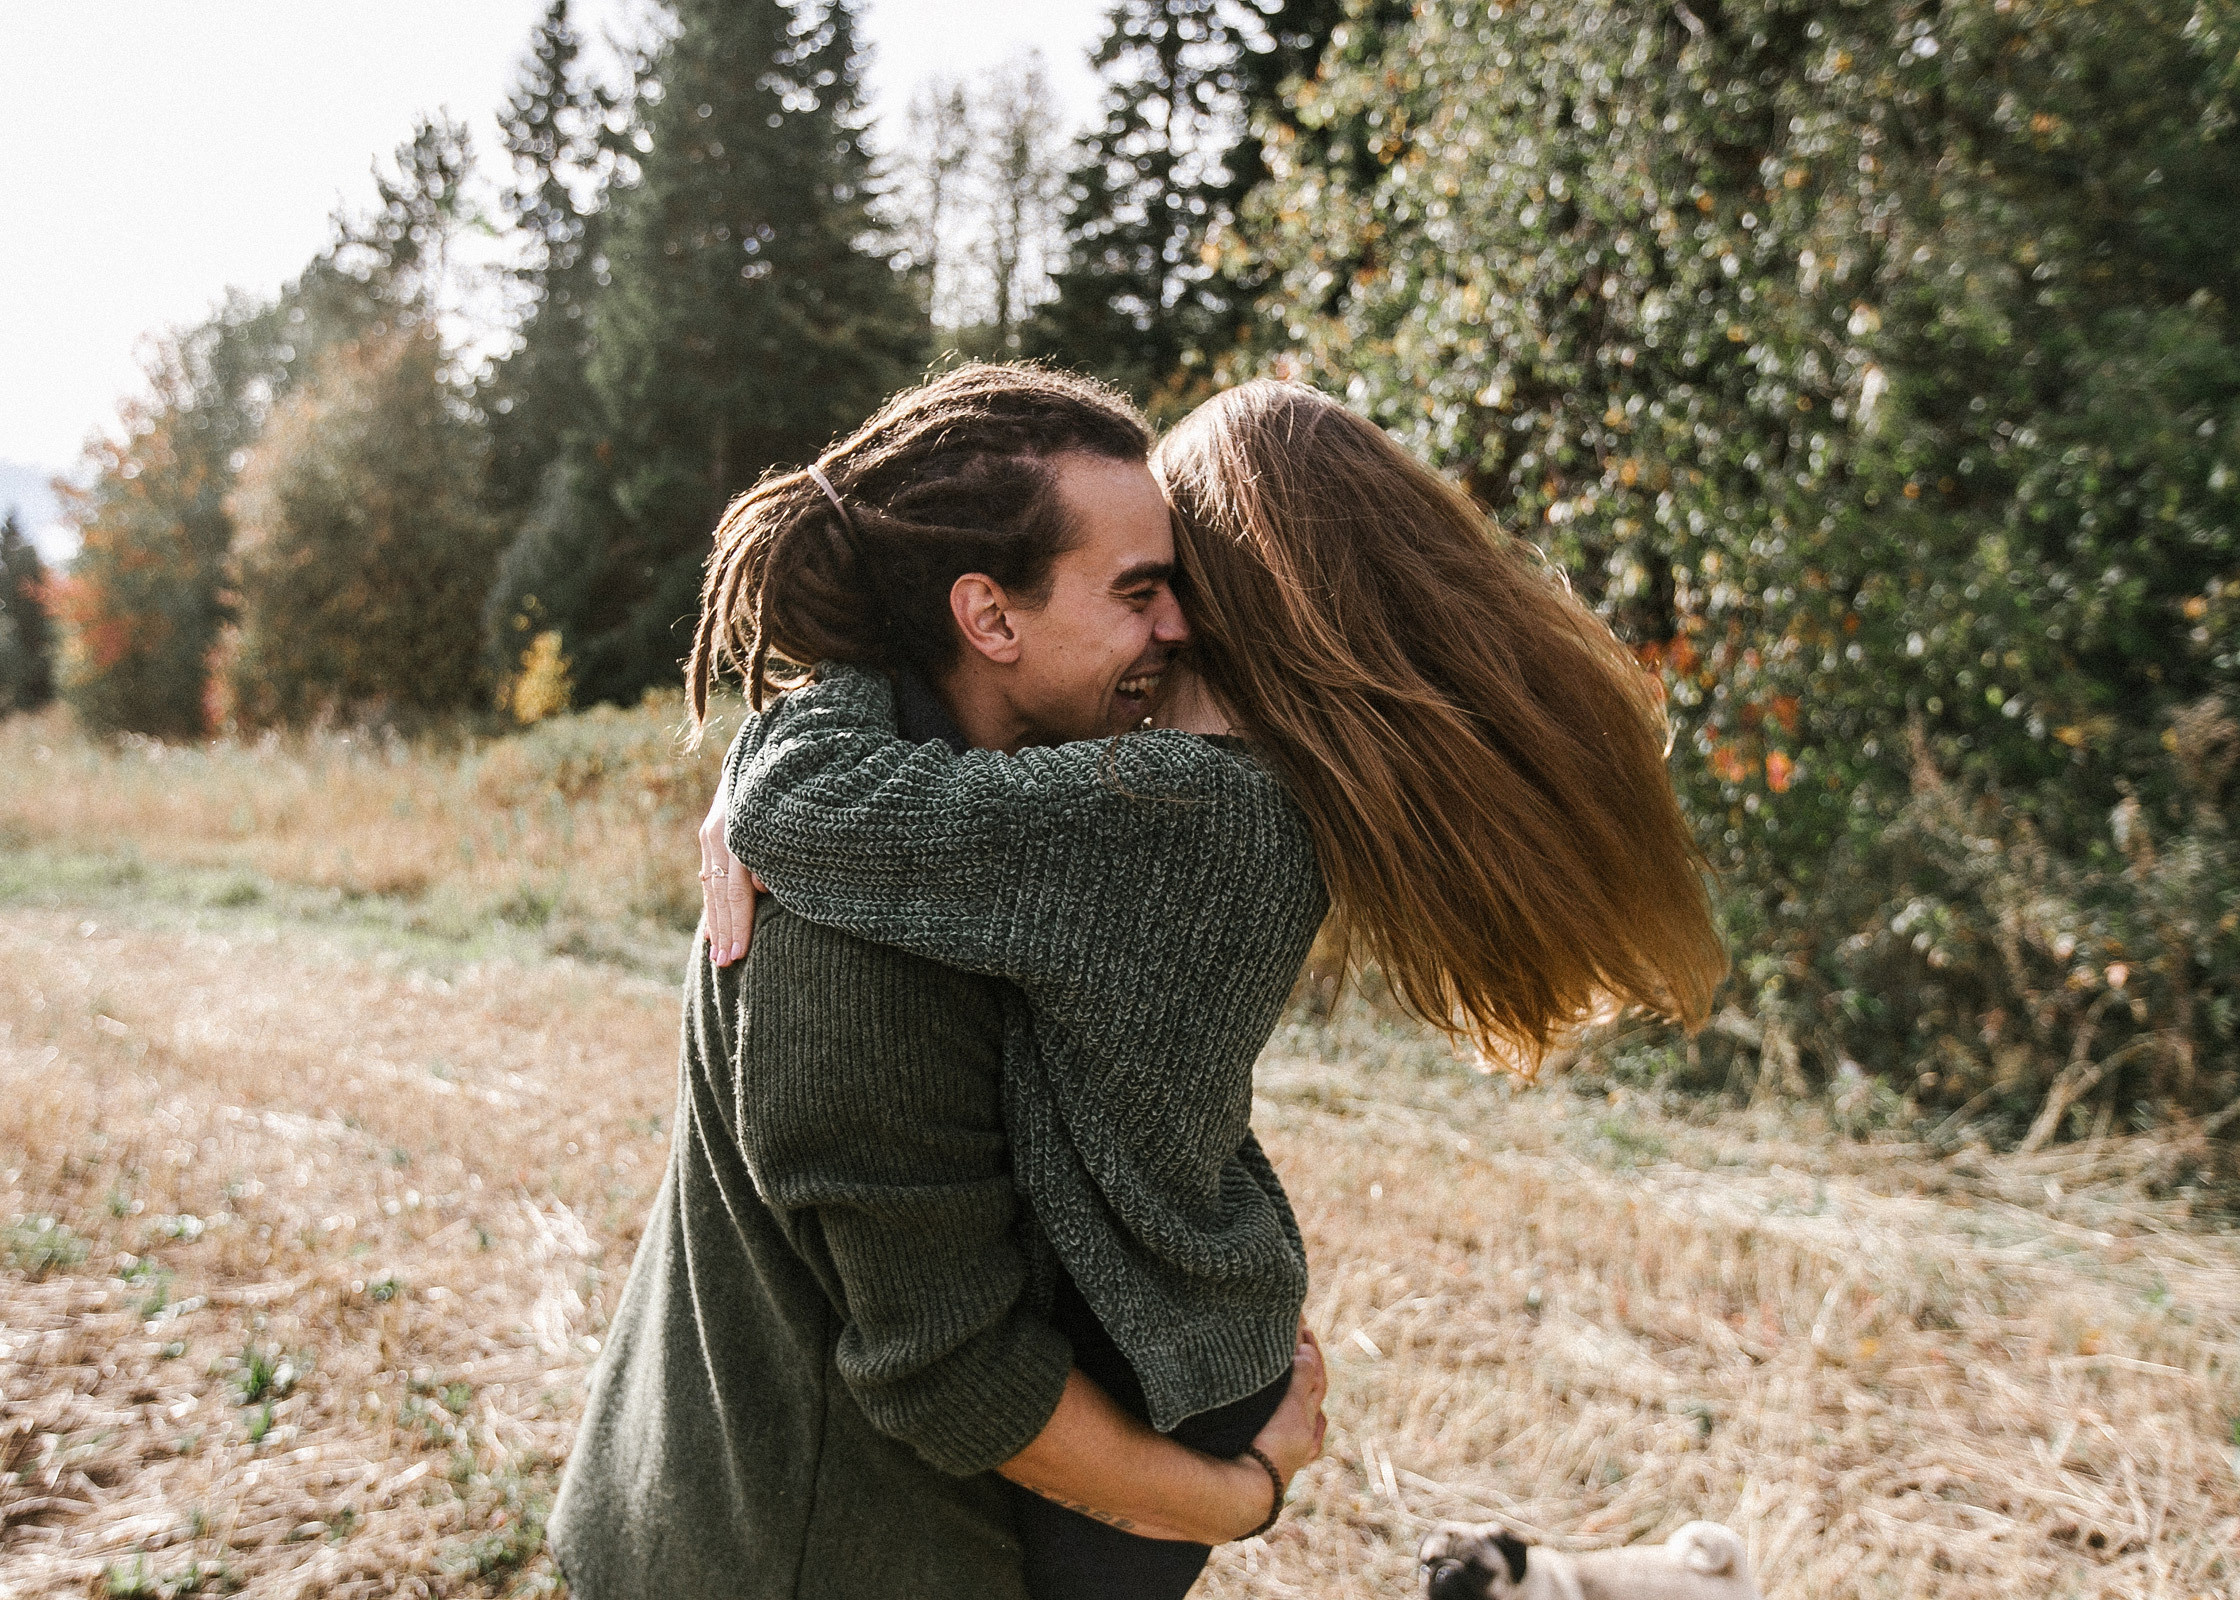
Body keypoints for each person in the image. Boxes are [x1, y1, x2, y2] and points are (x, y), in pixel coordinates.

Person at [698, 378, 1731, 1597]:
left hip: (1150, 1374)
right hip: (1185, 1338)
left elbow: (818, 813)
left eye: (1168, 578)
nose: (1167, 620)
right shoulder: (1219, 781)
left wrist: (759, 765)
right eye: (1143, 588)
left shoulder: (1180, 811)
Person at [546, 364, 1327, 1600]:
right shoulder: (855, 933)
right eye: (1139, 592)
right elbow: (960, 1377)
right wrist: (1247, 1492)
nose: (1176, 627)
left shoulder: (939, 819)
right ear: (990, 617)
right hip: (805, 1554)